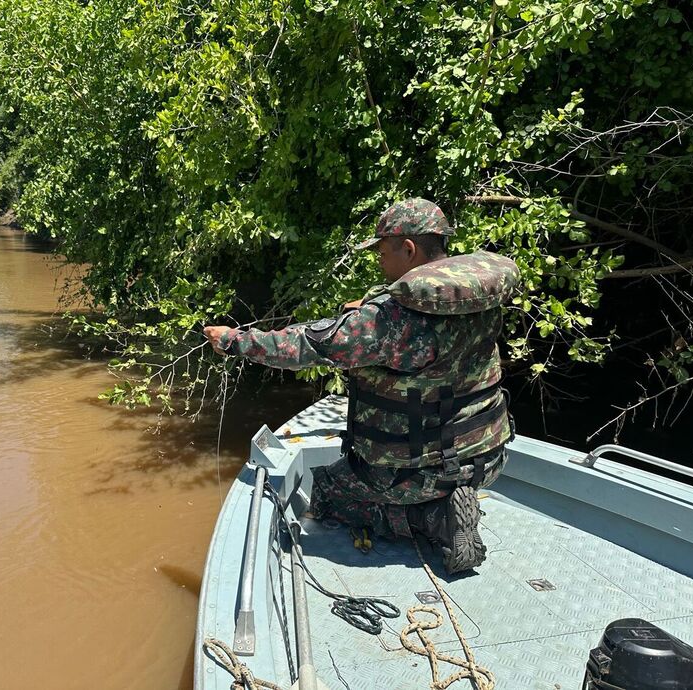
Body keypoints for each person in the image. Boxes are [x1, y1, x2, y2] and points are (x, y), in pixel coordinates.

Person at [203, 198, 518, 573]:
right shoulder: (476, 300)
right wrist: (371, 304)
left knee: (325, 492)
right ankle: (440, 503)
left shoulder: (388, 321)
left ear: (409, 248)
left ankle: (432, 519)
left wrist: (233, 340)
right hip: (488, 458)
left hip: (420, 475)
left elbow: (300, 345)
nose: (380, 262)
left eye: (384, 252)